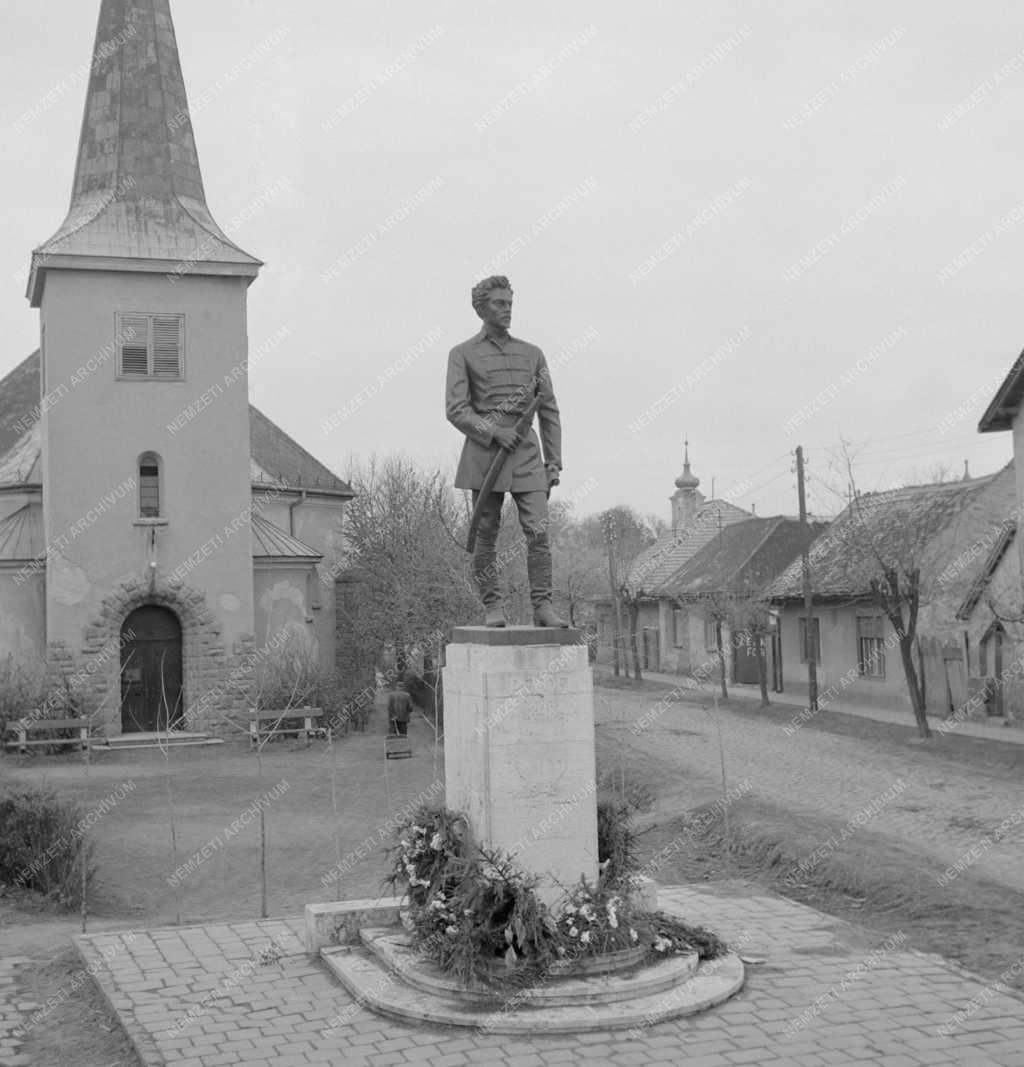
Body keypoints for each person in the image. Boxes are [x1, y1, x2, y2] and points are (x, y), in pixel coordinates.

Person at [445, 275, 568, 628]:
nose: (507, 309)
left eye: (510, 303)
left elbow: (549, 410)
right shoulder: (462, 353)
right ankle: (493, 606)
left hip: (527, 452)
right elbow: (456, 408)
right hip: (486, 453)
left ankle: (543, 607)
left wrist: (554, 462)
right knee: (486, 532)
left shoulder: (533, 354)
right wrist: (494, 431)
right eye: (500, 303)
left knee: (539, 530)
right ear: (482, 308)